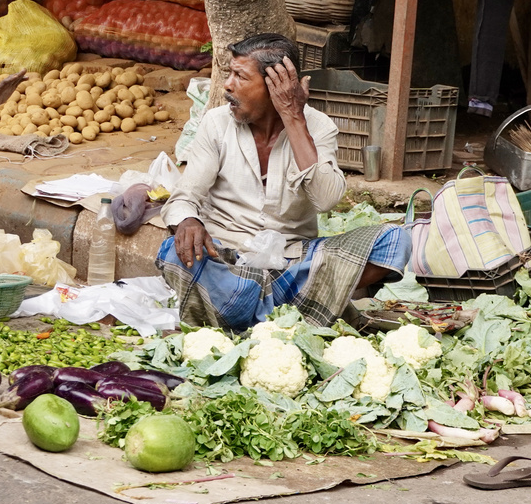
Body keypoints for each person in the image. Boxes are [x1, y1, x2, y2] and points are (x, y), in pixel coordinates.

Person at [158, 34, 410, 330]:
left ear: (276, 86)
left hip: (292, 262)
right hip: (227, 261)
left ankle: (245, 311)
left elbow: (327, 200)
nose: (227, 85)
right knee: (172, 252)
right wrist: (188, 220)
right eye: (230, 73)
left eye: (240, 76)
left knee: (395, 241)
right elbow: (185, 196)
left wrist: (293, 119)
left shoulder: (318, 126)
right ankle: (289, 312)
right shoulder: (216, 123)